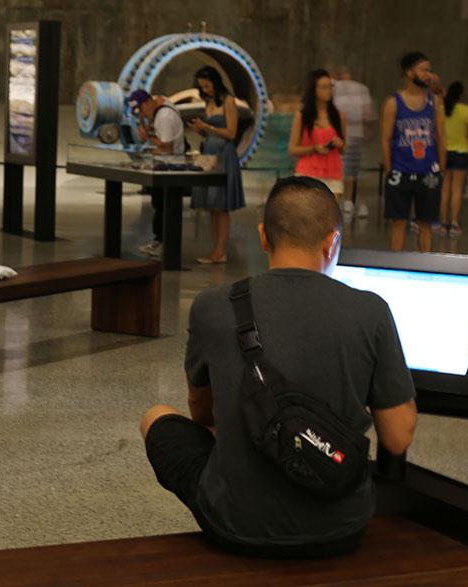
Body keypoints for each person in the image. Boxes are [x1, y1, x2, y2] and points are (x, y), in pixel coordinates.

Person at [140, 175, 418, 558]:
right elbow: (398, 438)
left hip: (233, 526)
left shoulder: (211, 305)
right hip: (342, 528)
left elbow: (202, 412)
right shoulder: (371, 311)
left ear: (263, 237)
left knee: (156, 415)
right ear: (332, 242)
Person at [380, 51, 446, 253]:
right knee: (399, 223)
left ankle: (425, 268)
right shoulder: (393, 102)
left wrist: (441, 169)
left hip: (428, 173)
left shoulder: (435, 102)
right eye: (423, 69)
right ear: (409, 73)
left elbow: (441, 137)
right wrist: (389, 169)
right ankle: (394, 269)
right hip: (400, 171)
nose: (428, 74)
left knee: (426, 224)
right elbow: (386, 138)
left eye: (430, 70)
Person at [189, 66, 246, 264]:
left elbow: (231, 133)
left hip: (224, 154)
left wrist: (208, 127)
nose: (205, 90)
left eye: (207, 85)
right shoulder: (209, 102)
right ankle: (215, 248)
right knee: (211, 205)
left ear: (215, 82)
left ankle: (221, 249)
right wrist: (201, 130)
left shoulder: (228, 101)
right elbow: (211, 132)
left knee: (221, 205)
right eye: (202, 87)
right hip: (210, 153)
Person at [129, 90, 186, 259]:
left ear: (147, 103)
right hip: (163, 165)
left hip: (170, 167)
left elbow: (167, 146)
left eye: (141, 110)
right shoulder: (160, 107)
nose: (142, 115)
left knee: (164, 207)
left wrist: (148, 138)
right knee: (158, 204)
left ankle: (165, 243)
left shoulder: (164, 116)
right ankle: (159, 240)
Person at [288, 69, 348, 210]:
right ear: (314, 91)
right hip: (308, 171)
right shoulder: (302, 117)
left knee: (330, 218)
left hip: (332, 172)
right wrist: (314, 148)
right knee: (307, 216)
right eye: (323, 87)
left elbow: (343, 149)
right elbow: (292, 148)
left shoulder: (339, 116)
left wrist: (340, 144)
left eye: (330, 87)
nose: (328, 91)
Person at [437, 82, 468, 238]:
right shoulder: (467, 111)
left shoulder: (442, 109)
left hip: (444, 152)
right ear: (461, 94)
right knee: (457, 189)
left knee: (444, 189)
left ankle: (443, 223)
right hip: (461, 152)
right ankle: (454, 223)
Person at [332, 65, 375, 218]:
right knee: (353, 170)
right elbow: (368, 115)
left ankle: (345, 201)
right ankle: (351, 201)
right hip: (356, 134)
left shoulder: (334, 88)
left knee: (343, 168)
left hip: (339, 134)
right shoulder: (361, 89)